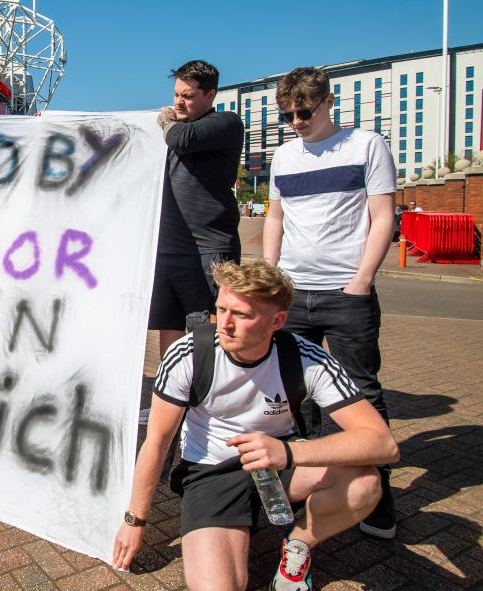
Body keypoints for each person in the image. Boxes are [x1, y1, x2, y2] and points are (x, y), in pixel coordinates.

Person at [112, 260, 399, 591]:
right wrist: (135, 520)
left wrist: (287, 452)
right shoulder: (188, 354)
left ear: (277, 321)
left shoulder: (308, 358)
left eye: (242, 315)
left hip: (279, 464)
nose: (225, 324)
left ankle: (299, 543)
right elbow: (157, 442)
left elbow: (383, 444)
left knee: (365, 483)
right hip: (211, 472)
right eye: (221, 309)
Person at [263, 66, 399, 539]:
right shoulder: (284, 156)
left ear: (328, 102)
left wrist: (362, 280)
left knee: (361, 391)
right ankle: (300, 487)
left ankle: (377, 495)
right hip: (292, 292)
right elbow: (276, 217)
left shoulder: (366, 145)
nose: (296, 122)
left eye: (303, 112)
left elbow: (383, 216)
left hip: (346, 293)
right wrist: (271, 274)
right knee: (290, 392)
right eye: (287, 116)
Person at [143, 59, 244, 423]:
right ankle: (170, 400)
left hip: (210, 248)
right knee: (169, 325)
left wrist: (167, 122)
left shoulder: (225, 124)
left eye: (187, 95)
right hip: (169, 248)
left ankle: (208, 404)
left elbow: (182, 139)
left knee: (208, 328)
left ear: (210, 95)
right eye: (176, 94)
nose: (179, 102)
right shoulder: (169, 128)